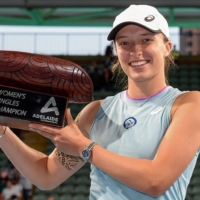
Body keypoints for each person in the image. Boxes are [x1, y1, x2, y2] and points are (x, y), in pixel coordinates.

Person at [0, 4, 199, 200]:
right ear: (115, 50)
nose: (135, 50)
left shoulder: (189, 104)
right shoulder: (96, 111)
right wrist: (2, 132)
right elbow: (46, 176)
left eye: (146, 40)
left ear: (167, 48)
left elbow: (156, 181)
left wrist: (84, 148)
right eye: (124, 43)